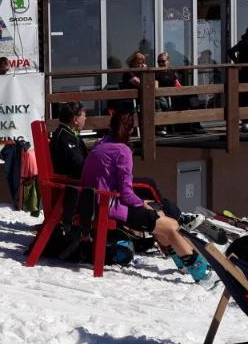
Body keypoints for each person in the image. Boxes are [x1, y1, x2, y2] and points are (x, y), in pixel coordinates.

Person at [80, 110, 209, 282]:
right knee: (171, 226)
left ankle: (181, 261)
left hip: (94, 203)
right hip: (109, 206)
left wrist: (144, 202)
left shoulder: (100, 145)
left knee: (159, 213)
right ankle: (199, 270)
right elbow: (126, 195)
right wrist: (143, 204)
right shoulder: (122, 151)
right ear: (131, 130)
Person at [49, 101, 88, 179]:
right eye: (84, 116)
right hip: (70, 185)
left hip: (69, 182)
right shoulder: (65, 138)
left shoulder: (63, 133)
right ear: (75, 120)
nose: (85, 118)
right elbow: (79, 165)